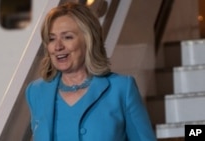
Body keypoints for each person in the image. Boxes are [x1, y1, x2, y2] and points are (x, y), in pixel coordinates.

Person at [25, 2, 157, 141]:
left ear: (88, 40)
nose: (57, 46)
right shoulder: (36, 92)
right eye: (51, 39)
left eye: (67, 37)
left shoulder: (122, 89)